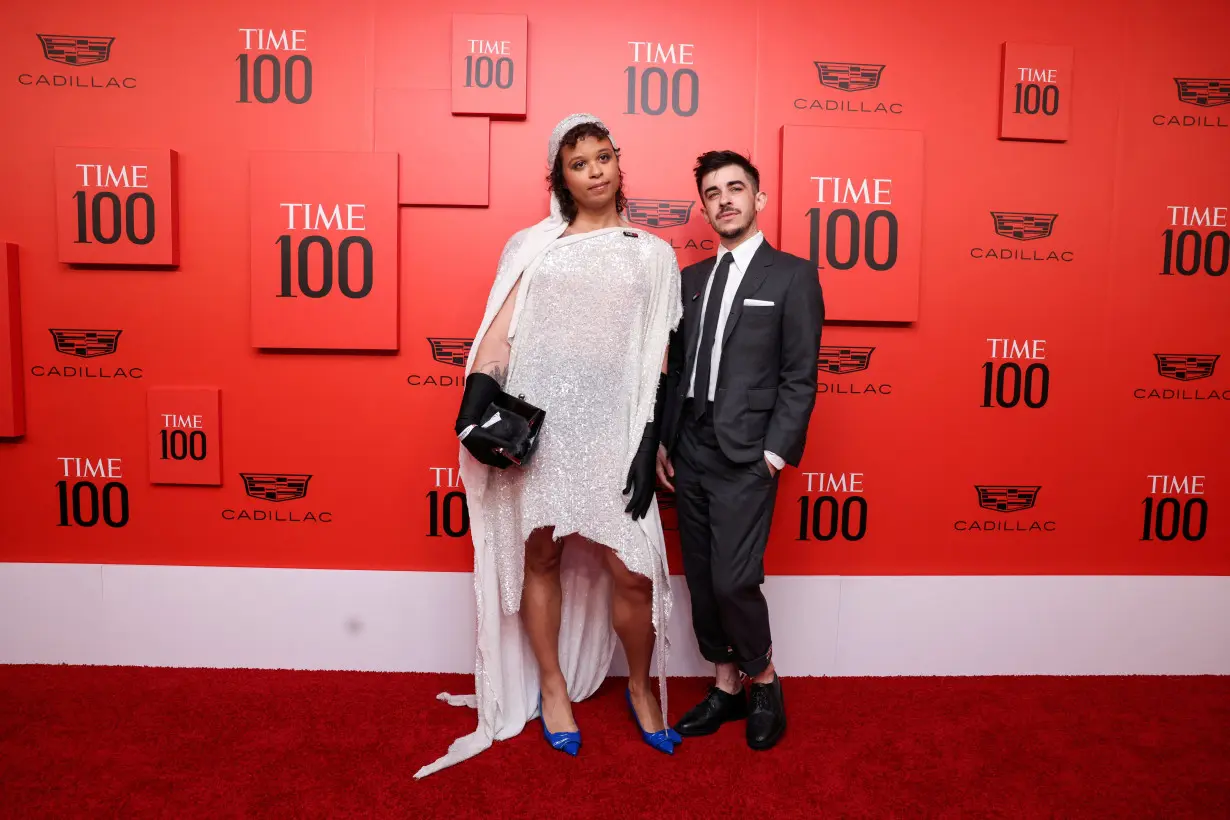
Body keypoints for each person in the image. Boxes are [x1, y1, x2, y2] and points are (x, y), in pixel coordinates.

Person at [414, 114, 683, 778]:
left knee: (633, 568)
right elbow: (500, 335)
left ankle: (642, 687)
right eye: (578, 162)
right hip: (543, 424)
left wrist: (649, 443)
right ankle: (554, 689)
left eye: (603, 158)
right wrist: (477, 404)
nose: (594, 170)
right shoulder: (535, 245)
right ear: (559, 177)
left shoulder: (654, 253)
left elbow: (658, 360)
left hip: (615, 428)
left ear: (620, 164)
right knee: (542, 553)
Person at [656, 150, 824, 750]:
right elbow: (675, 373)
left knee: (734, 579)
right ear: (703, 207)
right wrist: (666, 442)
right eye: (713, 193)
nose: (724, 199)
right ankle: (724, 686)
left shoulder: (791, 276)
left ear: (759, 199)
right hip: (691, 449)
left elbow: (800, 374)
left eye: (735, 189)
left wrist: (774, 454)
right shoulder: (691, 281)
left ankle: (764, 681)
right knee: (700, 578)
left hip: (747, 455)